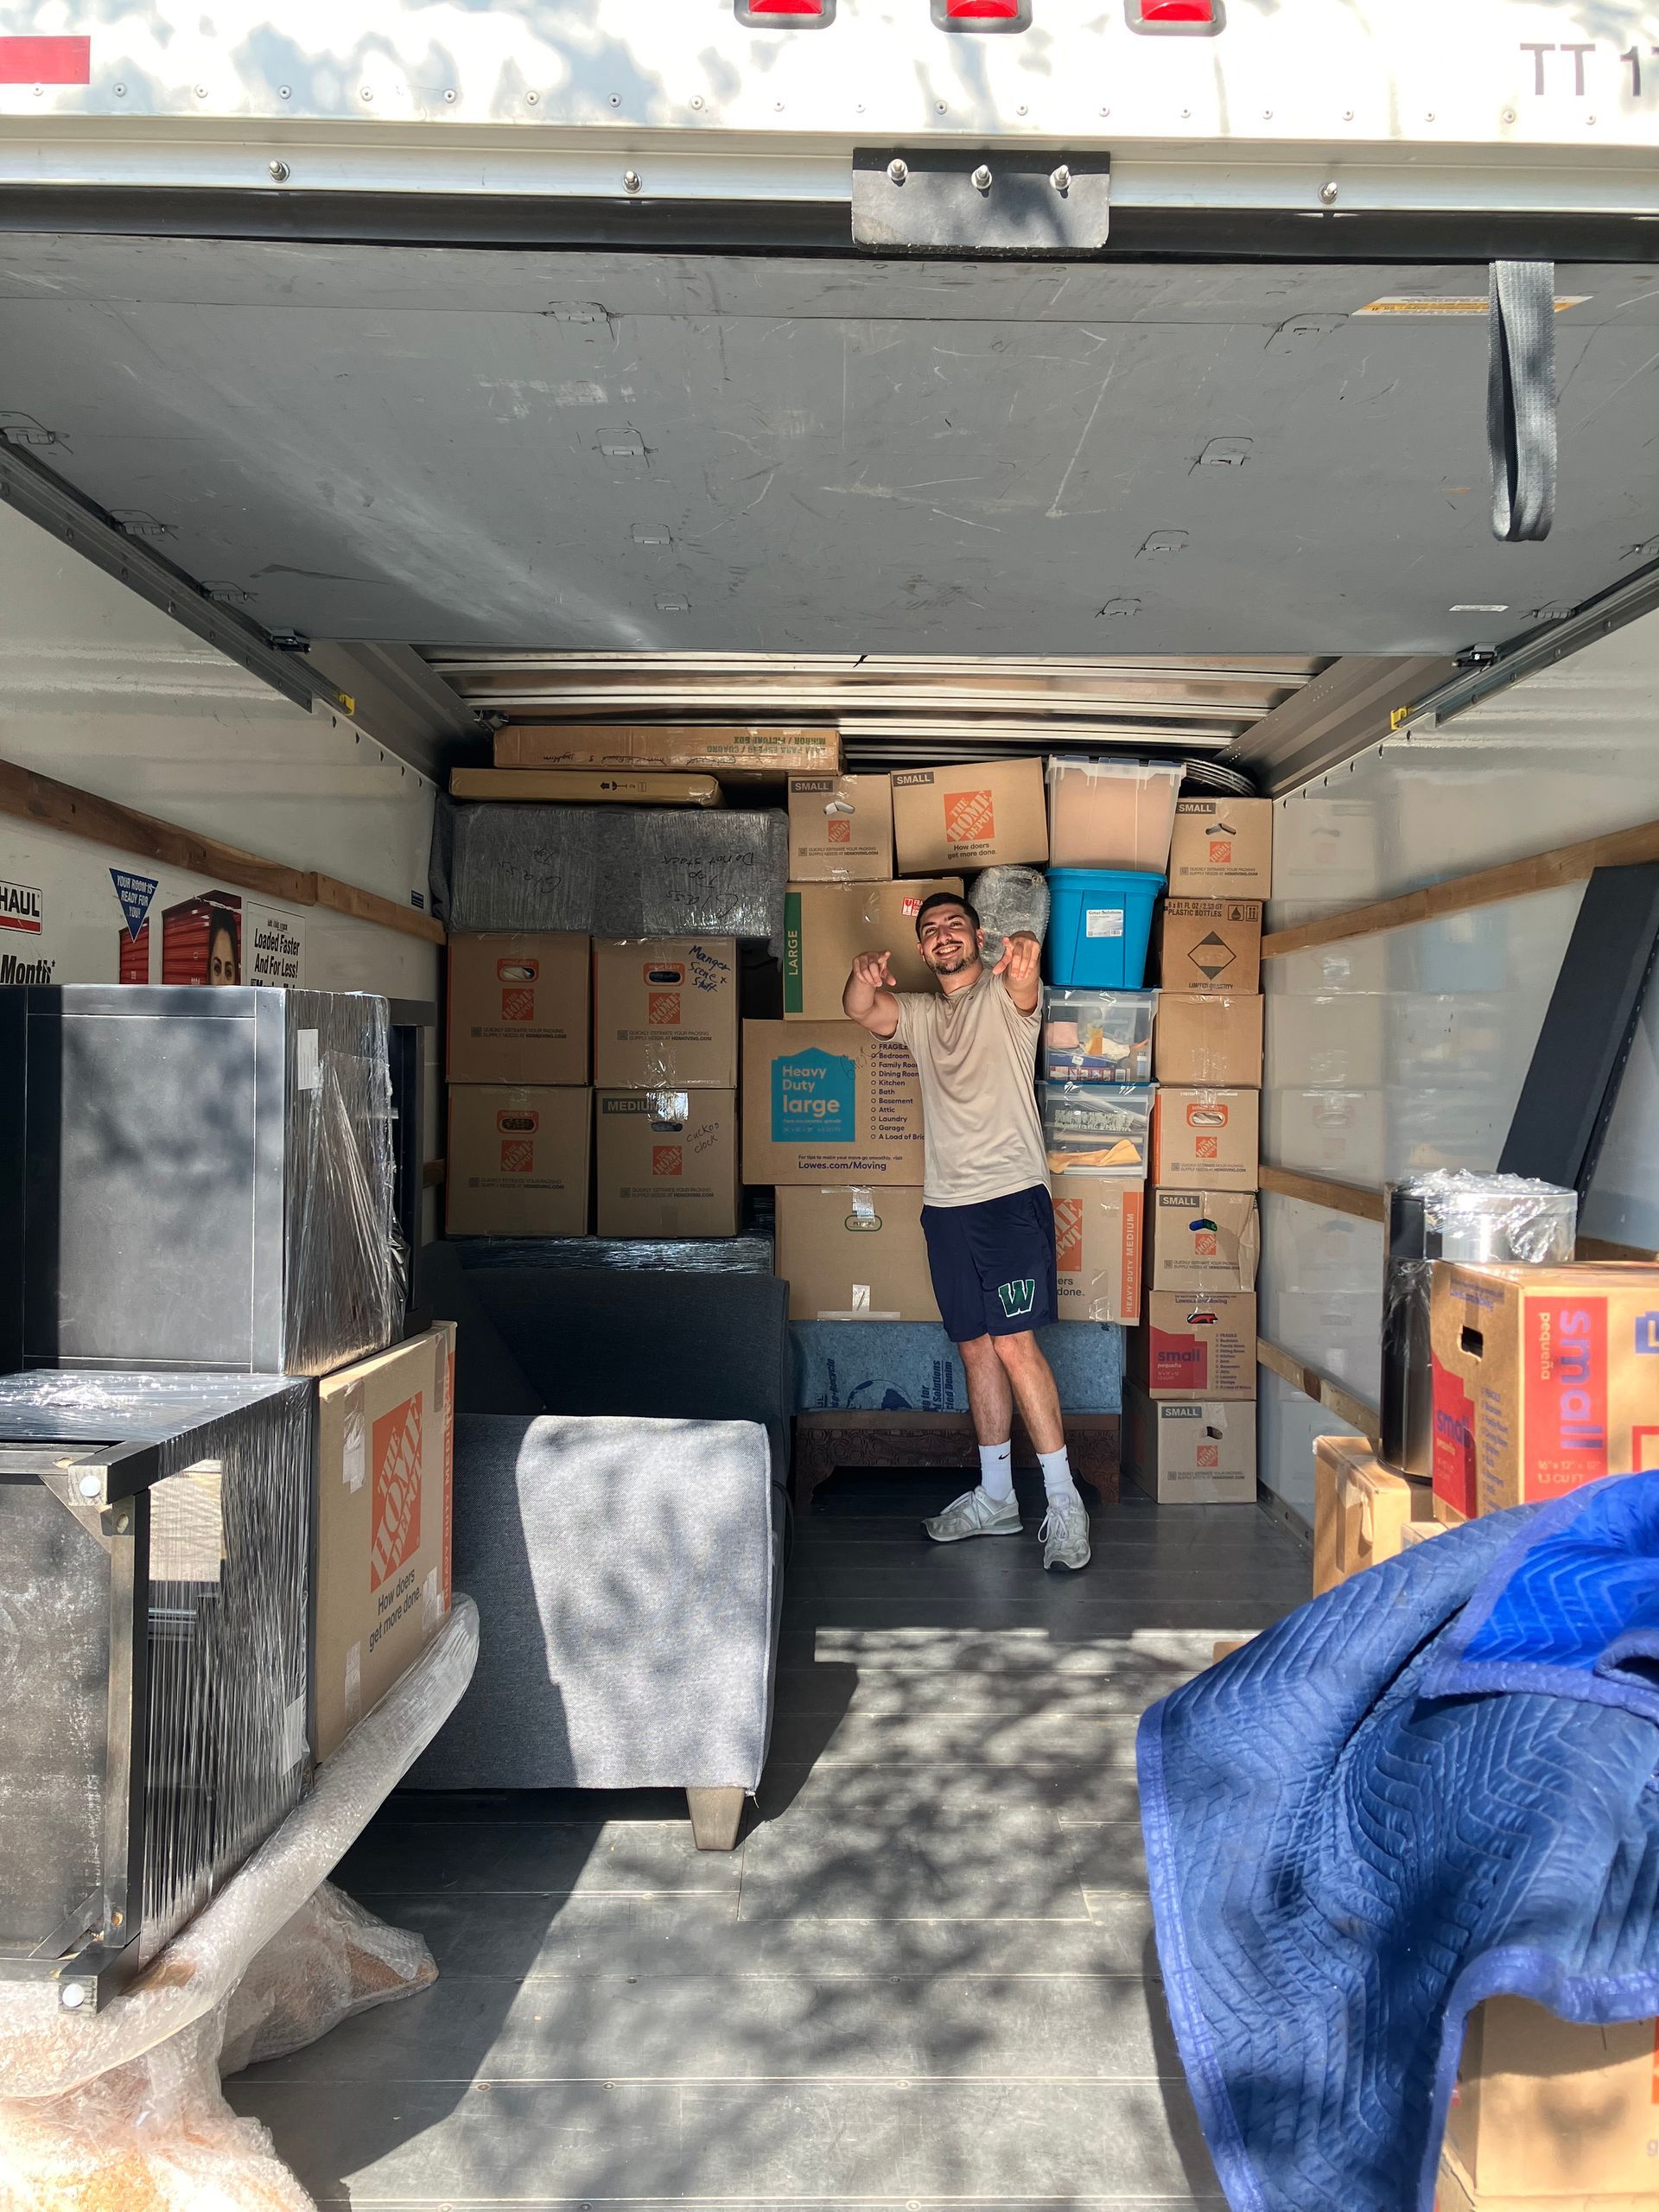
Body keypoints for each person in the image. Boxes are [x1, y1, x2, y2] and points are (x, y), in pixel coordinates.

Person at [842, 890, 1090, 1572]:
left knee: (1014, 1345)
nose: (943, 935)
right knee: (976, 1349)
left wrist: (1023, 958)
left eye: (956, 924)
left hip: (1009, 1199)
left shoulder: (1004, 1002)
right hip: (946, 1206)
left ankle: (1066, 1503)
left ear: (978, 939)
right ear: (922, 951)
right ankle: (997, 1497)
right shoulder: (920, 1015)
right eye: (931, 930)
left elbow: (1022, 982)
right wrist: (860, 976)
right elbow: (861, 1010)